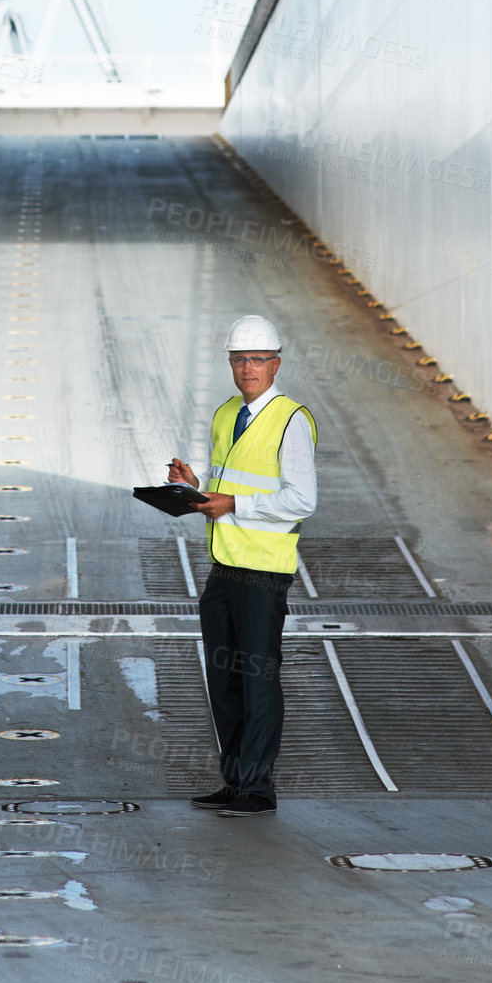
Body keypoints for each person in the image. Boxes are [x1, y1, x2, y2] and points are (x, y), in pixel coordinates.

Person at [169, 313, 316, 816]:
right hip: (224, 567)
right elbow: (231, 478)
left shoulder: (291, 419)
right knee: (225, 680)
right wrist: (196, 484)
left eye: (257, 359)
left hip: (263, 573)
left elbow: (301, 500)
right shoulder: (226, 413)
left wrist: (233, 505)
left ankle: (258, 788)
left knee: (258, 680)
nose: (247, 368)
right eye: (239, 359)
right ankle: (234, 781)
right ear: (230, 363)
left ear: (275, 364)